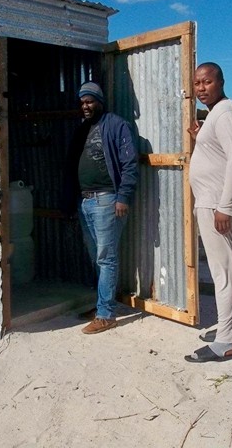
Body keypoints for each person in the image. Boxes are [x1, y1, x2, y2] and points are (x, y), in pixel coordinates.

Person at [185, 62, 232, 362]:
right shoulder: (217, 115)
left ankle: (226, 340)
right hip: (212, 203)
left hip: (218, 206)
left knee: (226, 272)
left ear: (222, 82)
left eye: (208, 82)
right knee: (223, 271)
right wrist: (201, 135)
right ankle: (229, 330)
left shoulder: (226, 114)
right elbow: (218, 154)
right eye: (197, 83)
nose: (202, 88)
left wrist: (225, 207)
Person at [65, 81, 139, 334]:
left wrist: (123, 197)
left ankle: (106, 314)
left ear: (100, 102)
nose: (85, 106)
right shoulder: (82, 129)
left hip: (107, 200)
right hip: (85, 201)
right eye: (82, 102)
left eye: (90, 101)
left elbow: (130, 164)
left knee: (106, 258)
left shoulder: (117, 125)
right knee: (96, 256)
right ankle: (102, 305)